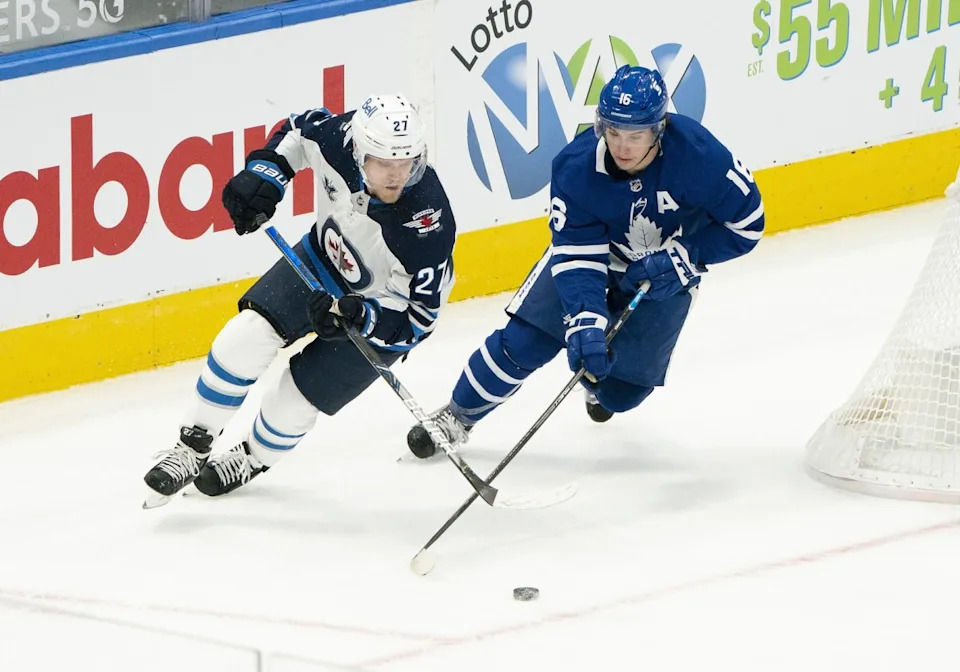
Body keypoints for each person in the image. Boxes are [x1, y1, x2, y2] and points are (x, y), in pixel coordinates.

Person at [406, 65, 763, 458]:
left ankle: (596, 385)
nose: (623, 146)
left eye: (635, 135)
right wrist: (585, 318)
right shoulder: (575, 167)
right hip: (599, 259)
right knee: (525, 342)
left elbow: (747, 225)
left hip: (665, 274)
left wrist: (685, 258)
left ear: (658, 130)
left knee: (622, 394)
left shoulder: (700, 156)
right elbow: (578, 253)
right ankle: (457, 416)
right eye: (613, 132)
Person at [143, 94, 457, 505]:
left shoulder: (426, 222)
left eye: (408, 162)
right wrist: (266, 175)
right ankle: (192, 446)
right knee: (246, 336)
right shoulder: (335, 139)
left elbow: (419, 319)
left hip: (380, 307)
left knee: (297, 396)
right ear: (358, 151)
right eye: (384, 163)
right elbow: (295, 132)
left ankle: (251, 458)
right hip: (322, 259)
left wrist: (360, 315)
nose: (398, 176)